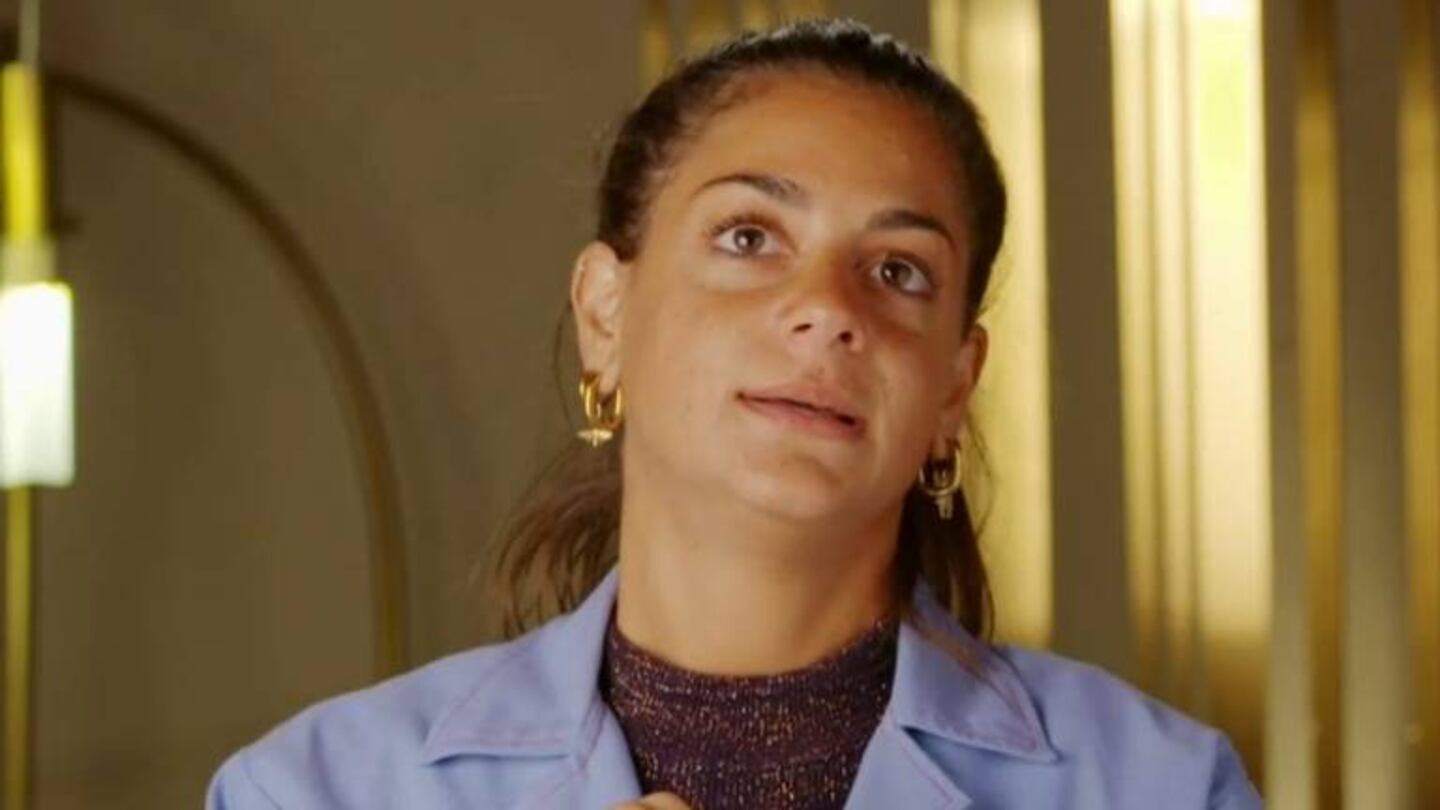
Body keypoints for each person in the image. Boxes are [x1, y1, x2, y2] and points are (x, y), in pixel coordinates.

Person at [207, 18, 1263, 810]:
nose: (827, 309)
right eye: (749, 238)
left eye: (898, 270)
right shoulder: (315, 791)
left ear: (953, 386)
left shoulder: (1162, 787)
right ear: (605, 313)